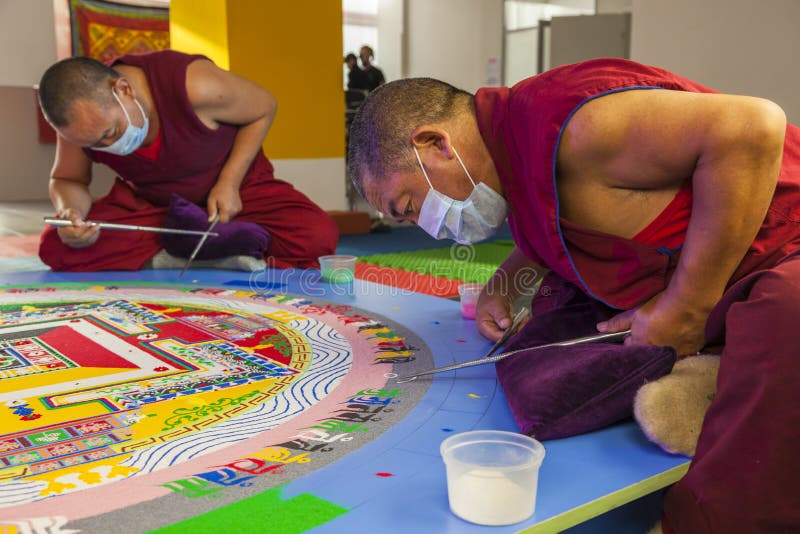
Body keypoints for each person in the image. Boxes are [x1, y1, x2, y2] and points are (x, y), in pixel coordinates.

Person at [346, 58, 800, 533]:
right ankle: (702, 361)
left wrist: (687, 306)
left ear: (435, 143)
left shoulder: (577, 126)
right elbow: (562, 211)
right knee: (541, 354)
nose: (428, 227)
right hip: (697, 271)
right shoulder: (510, 153)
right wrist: (515, 271)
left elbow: (754, 126)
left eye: (410, 206)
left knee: (783, 321)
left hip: (779, 243)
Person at [37, 50, 337, 271]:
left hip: (237, 193)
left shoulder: (194, 83)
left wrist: (229, 183)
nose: (109, 147)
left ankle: (195, 246)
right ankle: (204, 253)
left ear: (123, 89)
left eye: (111, 133)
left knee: (316, 235)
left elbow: (263, 107)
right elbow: (68, 179)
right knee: (56, 244)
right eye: (93, 144)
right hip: (158, 207)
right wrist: (71, 212)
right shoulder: (78, 125)